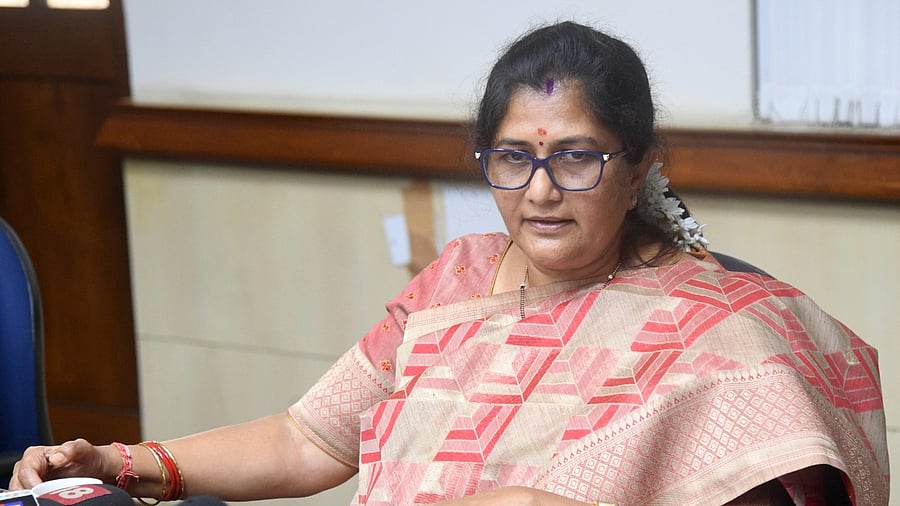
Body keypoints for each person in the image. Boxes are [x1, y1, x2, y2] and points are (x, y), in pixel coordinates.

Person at [10, 21, 889, 506]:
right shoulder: (455, 284)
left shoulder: (724, 333)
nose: (541, 191)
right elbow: (302, 441)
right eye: (513, 158)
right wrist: (121, 461)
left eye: (576, 156)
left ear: (643, 165)